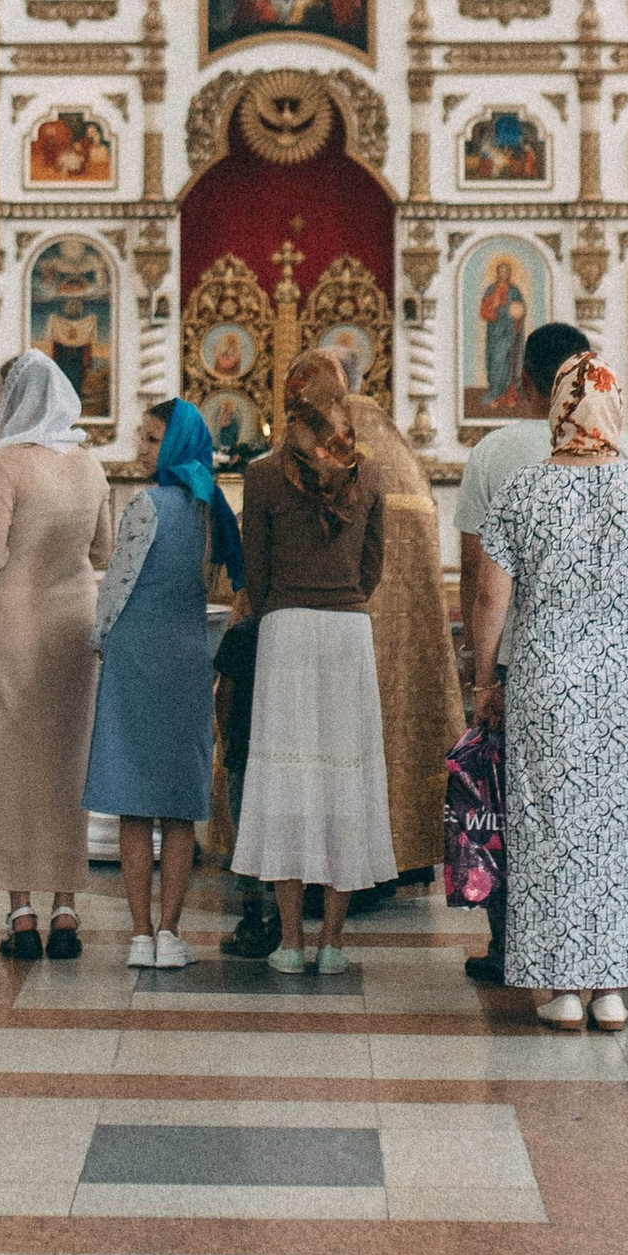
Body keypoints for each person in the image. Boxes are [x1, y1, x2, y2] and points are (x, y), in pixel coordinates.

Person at [471, 354, 628, 1032]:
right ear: (614, 409)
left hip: (545, 681)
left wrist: (485, 677)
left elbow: (489, 595)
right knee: (619, 831)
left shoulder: (523, 490)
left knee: (547, 826)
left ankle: (562, 989)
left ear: (558, 408)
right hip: (626, 681)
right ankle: (611, 988)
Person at [235, 354, 392, 975]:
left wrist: (285, 604)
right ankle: (333, 943)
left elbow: (256, 569)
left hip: (287, 630)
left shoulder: (263, 474)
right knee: (344, 780)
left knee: (287, 781)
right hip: (348, 630)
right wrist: (341, 596)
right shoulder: (368, 474)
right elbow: (373, 567)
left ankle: (291, 942)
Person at [453, 320, 592, 983]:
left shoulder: (494, 453)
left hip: (517, 660)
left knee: (510, 803)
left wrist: (483, 674)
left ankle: (512, 944)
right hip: (606, 661)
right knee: (598, 804)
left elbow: (479, 579)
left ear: (526, 382)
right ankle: (609, 947)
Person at [0, 350, 112, 960]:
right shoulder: (91, 464)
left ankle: (21, 910)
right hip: (73, 620)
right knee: (66, 760)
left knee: (7, 756)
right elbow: (103, 552)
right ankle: (67, 908)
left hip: (13, 622)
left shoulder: (7, 464)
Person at [90, 398, 244, 968]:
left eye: (152, 440)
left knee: (134, 797)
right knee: (179, 799)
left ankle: (138, 933)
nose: (141, 450)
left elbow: (119, 582)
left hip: (137, 651)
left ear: (175, 445)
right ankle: (171, 933)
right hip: (185, 652)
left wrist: (97, 635)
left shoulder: (145, 504)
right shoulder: (212, 509)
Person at [348, 390, 463, 893]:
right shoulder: (403, 459)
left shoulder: (332, 453)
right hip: (403, 635)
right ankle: (408, 853)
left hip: (342, 624)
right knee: (403, 728)